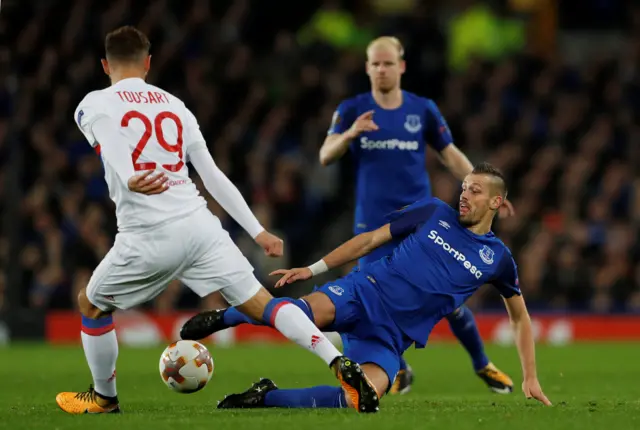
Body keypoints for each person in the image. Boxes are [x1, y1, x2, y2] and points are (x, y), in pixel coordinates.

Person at [56, 26, 378, 415]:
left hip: (149, 233)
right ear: (148, 63)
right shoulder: (176, 106)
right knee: (264, 304)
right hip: (202, 226)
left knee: (90, 304)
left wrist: (128, 176)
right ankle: (335, 360)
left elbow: (108, 138)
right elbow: (211, 175)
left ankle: (104, 399)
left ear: (105, 64)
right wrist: (257, 230)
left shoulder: (95, 102)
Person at [181, 163, 552, 411]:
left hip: (391, 337)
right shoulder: (434, 212)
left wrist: (530, 376)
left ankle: (264, 397)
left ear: (495, 201)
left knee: (364, 398)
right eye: (464, 187)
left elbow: (519, 317)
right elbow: (370, 241)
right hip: (362, 294)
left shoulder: (497, 258)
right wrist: (314, 268)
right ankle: (226, 316)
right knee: (294, 315)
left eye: (474, 191)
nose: (464, 195)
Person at [318, 36, 515, 394]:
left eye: (388, 63)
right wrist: (350, 133)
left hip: (422, 221)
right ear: (367, 68)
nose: (382, 69)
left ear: (401, 66)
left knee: (449, 303)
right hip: (374, 225)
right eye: (375, 64)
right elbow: (325, 155)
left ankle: (482, 363)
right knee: (371, 301)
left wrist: (485, 190)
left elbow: (450, 153)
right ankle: (396, 368)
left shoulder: (421, 109)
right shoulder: (352, 109)